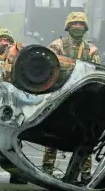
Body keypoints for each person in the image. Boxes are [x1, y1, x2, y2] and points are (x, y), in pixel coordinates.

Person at [42, 12, 101, 181]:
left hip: (83, 99)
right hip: (60, 96)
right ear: (68, 26)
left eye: (81, 24)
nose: (77, 27)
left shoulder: (92, 50)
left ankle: (84, 173)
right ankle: (47, 169)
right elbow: (48, 70)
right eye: (74, 24)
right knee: (52, 133)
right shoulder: (57, 46)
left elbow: (97, 73)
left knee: (86, 135)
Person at [0, 27, 28, 184]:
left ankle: (16, 173)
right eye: (0, 40)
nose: (4, 43)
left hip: (13, 103)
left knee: (14, 138)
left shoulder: (18, 56)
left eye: (7, 40)